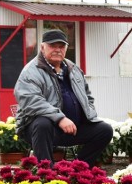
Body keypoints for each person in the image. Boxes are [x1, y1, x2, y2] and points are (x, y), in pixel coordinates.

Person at [14, 29, 113, 165]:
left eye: (61, 46)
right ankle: (46, 172)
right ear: (42, 47)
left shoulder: (73, 68)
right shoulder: (31, 71)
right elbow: (31, 101)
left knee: (104, 130)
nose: (57, 50)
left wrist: (89, 114)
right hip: (44, 130)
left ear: (66, 48)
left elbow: (87, 96)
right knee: (43, 124)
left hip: (72, 128)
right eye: (52, 46)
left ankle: (77, 169)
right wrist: (60, 118)